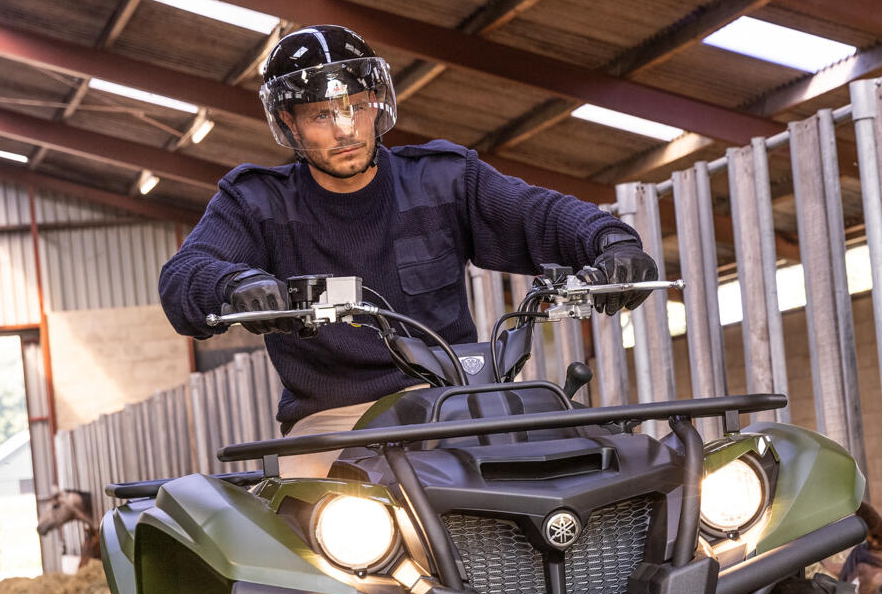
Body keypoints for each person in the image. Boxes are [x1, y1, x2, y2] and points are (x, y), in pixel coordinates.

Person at [159, 24, 657, 477]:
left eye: (357, 106)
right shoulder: (255, 202)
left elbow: (538, 212)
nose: (346, 129)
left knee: (596, 467)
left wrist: (611, 241)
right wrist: (234, 283)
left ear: (378, 101)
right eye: (321, 115)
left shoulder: (444, 178)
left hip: (457, 402)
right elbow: (185, 273)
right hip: (338, 419)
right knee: (311, 518)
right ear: (289, 122)